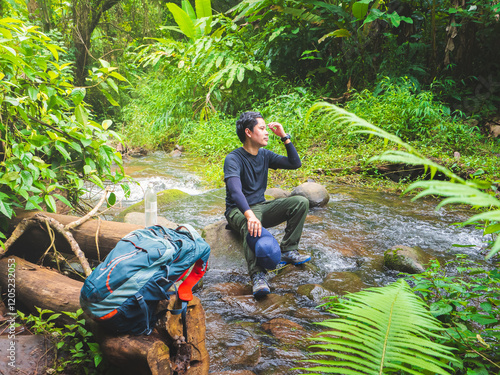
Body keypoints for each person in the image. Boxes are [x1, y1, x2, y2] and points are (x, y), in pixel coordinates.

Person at [224, 111, 311, 297]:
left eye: (266, 129)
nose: (267, 133)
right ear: (248, 132)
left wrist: (285, 137)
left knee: (301, 201)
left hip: (261, 206)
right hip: (237, 210)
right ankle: (258, 276)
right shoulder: (233, 159)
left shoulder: (264, 155)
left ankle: (288, 250)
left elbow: (295, 163)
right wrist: (249, 215)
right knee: (252, 225)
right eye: (262, 129)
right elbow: (235, 191)